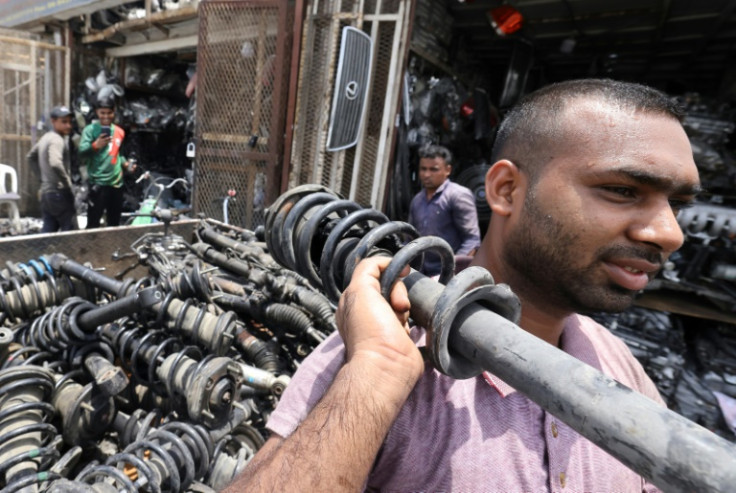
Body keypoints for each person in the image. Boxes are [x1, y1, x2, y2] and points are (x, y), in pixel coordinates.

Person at [224, 79, 701, 492]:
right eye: (623, 191)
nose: (669, 234)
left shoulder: (621, 368)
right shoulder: (374, 357)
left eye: (676, 204)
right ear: (507, 191)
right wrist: (377, 374)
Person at [408, 144, 481, 275]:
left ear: (447, 170)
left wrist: (451, 273)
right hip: (419, 272)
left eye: (433, 169)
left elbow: (472, 240)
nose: (426, 174)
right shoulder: (417, 201)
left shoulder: (458, 195)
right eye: (423, 169)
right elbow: (411, 239)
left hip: (446, 274)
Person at [78, 98, 134, 228]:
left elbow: (119, 153)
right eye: (102, 113)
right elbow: (81, 153)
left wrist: (126, 164)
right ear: (97, 112)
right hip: (98, 184)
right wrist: (95, 145)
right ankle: (92, 248)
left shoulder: (120, 132)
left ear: (114, 112)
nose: (106, 116)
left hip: (116, 184)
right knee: (93, 223)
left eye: (109, 112)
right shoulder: (90, 130)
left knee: (114, 223)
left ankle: (112, 248)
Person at [27, 106, 76, 233]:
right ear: (53, 121)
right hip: (58, 193)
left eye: (70, 122)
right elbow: (55, 162)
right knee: (70, 232)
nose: (68, 126)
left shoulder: (46, 137)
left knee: (48, 233)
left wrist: (42, 179)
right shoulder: (57, 140)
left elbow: (31, 157)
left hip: (46, 194)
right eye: (64, 122)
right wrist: (67, 183)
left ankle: (41, 253)